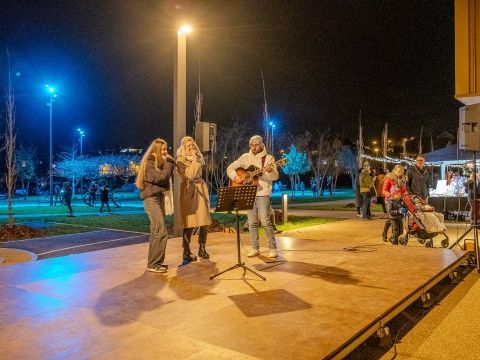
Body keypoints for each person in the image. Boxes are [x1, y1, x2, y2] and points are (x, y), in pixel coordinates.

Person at [227, 135, 279, 258]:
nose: (254, 147)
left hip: (262, 194)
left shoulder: (269, 158)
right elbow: (230, 168)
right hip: (248, 193)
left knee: (265, 221)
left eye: (256, 144)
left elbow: (275, 177)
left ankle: (272, 248)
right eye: (252, 144)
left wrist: (268, 171)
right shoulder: (245, 157)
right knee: (251, 223)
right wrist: (236, 178)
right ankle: (255, 248)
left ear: (261, 145)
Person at [135, 138, 175, 273]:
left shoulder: (159, 163)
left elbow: (164, 177)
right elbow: (161, 178)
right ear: (156, 150)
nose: (165, 151)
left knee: (156, 232)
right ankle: (154, 264)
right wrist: (169, 163)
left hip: (158, 197)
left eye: (166, 148)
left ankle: (154, 263)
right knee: (161, 231)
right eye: (163, 149)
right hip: (151, 199)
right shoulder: (150, 162)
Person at [176, 136, 212, 263]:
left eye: (192, 145)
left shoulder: (196, 158)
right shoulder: (180, 161)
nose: (191, 148)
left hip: (200, 189)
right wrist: (195, 161)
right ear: (184, 148)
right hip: (189, 191)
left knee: (205, 220)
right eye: (188, 146)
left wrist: (196, 160)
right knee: (189, 223)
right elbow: (189, 175)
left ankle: (202, 247)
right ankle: (186, 251)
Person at [382, 164, 407, 245]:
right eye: (399, 172)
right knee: (392, 217)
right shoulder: (389, 177)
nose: (400, 173)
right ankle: (390, 236)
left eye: (402, 172)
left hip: (398, 200)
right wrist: (390, 196)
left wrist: (403, 195)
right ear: (394, 170)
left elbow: (403, 190)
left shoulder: (403, 179)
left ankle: (389, 235)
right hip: (390, 201)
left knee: (391, 218)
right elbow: (384, 190)